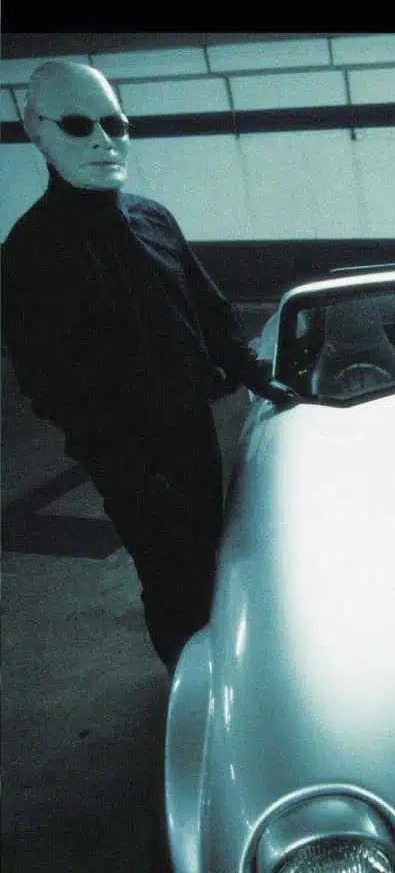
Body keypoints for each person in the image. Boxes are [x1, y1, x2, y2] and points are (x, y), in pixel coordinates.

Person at [1, 60, 299, 671]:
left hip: (192, 432)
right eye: (78, 125)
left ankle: (230, 674)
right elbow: (51, 385)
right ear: (37, 131)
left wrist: (262, 378)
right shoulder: (29, 255)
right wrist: (131, 471)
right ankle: (192, 693)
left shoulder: (153, 218)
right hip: (130, 457)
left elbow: (210, 311)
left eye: (114, 124)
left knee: (216, 561)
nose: (103, 141)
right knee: (171, 582)